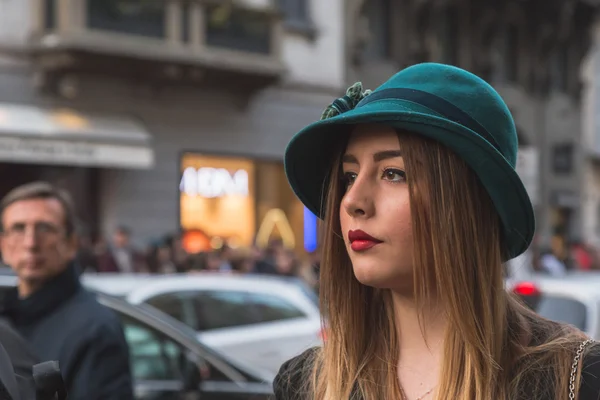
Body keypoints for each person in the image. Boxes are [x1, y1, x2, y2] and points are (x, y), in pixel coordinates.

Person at [273, 63, 600, 399]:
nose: (353, 201)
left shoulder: (577, 379)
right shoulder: (307, 384)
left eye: (393, 174)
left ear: (465, 204)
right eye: (349, 177)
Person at [0, 182, 134, 399]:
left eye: (45, 228)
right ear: (3, 245)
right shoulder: (8, 317)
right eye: (18, 228)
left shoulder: (96, 329)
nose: (30, 243)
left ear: (71, 243)